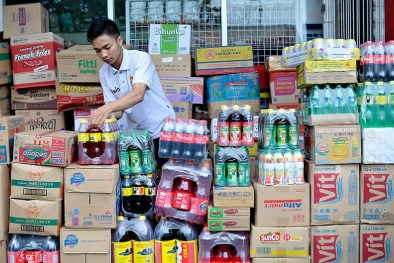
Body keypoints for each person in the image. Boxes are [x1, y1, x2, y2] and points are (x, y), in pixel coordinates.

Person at [87, 18, 175, 168]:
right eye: (97, 50)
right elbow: (118, 112)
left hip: (163, 130)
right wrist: (101, 118)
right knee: (140, 182)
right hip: (136, 136)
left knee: (165, 179)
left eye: (107, 47)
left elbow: (138, 93)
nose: (103, 54)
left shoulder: (140, 58)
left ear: (119, 40)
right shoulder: (104, 72)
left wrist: (106, 108)